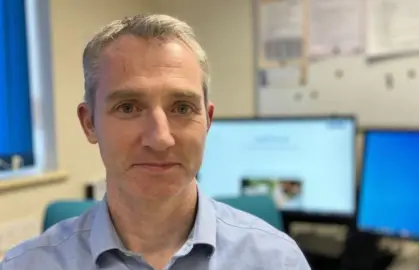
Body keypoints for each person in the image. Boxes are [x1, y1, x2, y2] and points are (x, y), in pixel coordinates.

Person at [0, 14, 311, 270]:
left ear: (208, 121)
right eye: (128, 107)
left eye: (182, 108)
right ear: (89, 123)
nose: (160, 139)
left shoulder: (277, 260)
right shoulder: (26, 265)